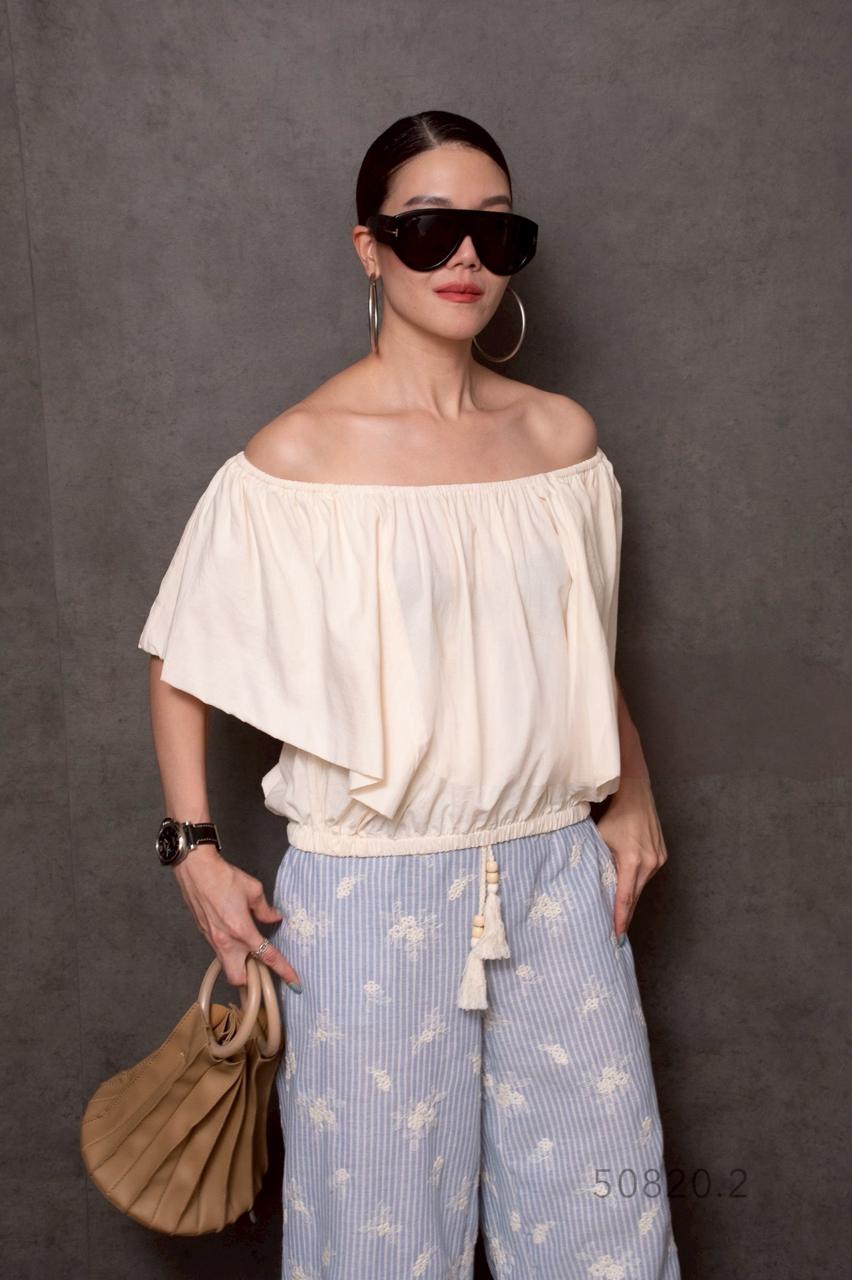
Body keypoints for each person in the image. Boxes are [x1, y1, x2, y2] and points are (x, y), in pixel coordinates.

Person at [138, 109, 681, 1280]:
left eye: (497, 231)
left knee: (607, 1226)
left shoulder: (561, 439)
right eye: (430, 229)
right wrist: (194, 847)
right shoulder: (297, 457)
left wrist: (630, 793)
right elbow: (183, 657)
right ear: (370, 246)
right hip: (366, 886)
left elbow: (581, 643)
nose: (466, 257)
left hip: (555, 871)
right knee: (377, 1243)